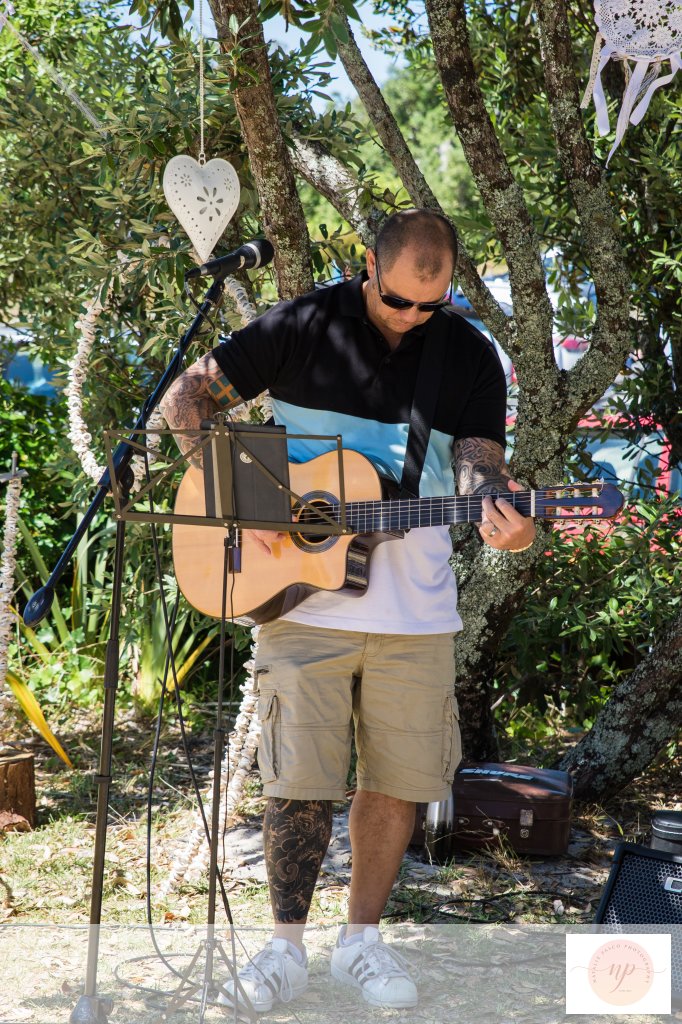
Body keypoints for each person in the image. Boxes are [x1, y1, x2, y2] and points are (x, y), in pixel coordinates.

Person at [160, 209, 536, 1013]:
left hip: (417, 612)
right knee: (298, 783)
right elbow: (186, 401)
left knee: (397, 782)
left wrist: (506, 517)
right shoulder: (304, 326)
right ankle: (284, 952)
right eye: (398, 300)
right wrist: (252, 507)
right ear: (369, 265)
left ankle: (360, 943)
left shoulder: (469, 357)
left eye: (431, 305)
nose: (412, 317)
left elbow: (478, 473)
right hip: (299, 602)